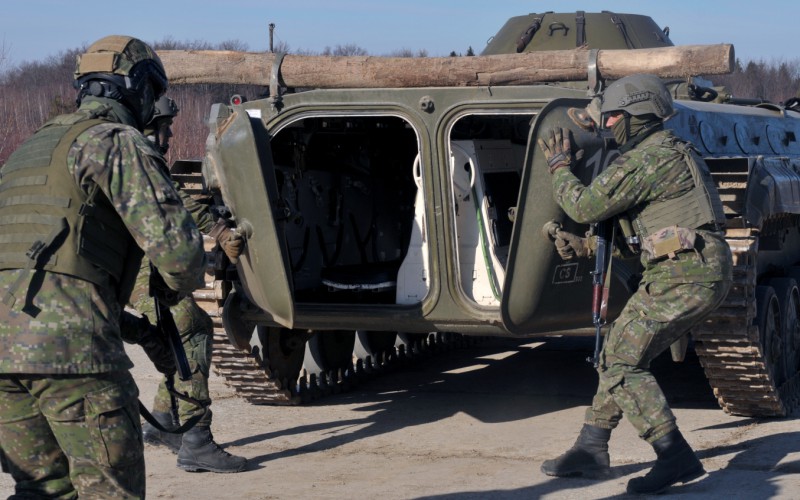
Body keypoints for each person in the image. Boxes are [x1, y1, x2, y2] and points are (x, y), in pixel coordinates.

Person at [0, 35, 206, 498]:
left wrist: (138, 330)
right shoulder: (114, 141)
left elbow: (44, 274)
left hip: (4, 360)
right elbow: (181, 257)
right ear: (133, 87)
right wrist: (176, 290)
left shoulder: (29, 151)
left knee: (41, 492)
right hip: (73, 356)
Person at [537, 74, 733, 494]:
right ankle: (591, 446)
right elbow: (642, 234)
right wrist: (589, 246)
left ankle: (674, 455)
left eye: (612, 119)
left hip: (684, 273)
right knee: (617, 353)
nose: (606, 126)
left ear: (636, 118)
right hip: (692, 267)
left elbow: (585, 203)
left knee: (623, 363)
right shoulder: (670, 152)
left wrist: (558, 169)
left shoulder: (647, 159)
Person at [132, 94, 247, 473]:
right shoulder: (136, 160)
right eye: (164, 129)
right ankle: (196, 441)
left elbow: (177, 200)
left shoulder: (129, 156)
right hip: (135, 272)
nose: (167, 138)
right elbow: (172, 205)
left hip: (129, 270)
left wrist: (218, 231)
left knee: (175, 334)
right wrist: (219, 233)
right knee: (191, 329)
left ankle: (166, 421)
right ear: (149, 129)